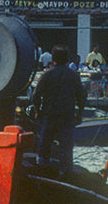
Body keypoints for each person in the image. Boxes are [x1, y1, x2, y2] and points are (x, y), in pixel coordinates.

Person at [29, 44, 86, 174]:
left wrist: (38, 111)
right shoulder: (74, 76)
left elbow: (36, 96)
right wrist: (79, 115)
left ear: (53, 59)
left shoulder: (47, 74)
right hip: (67, 117)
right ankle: (66, 175)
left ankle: (43, 175)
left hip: (49, 116)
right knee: (66, 150)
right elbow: (82, 98)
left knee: (44, 148)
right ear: (67, 60)